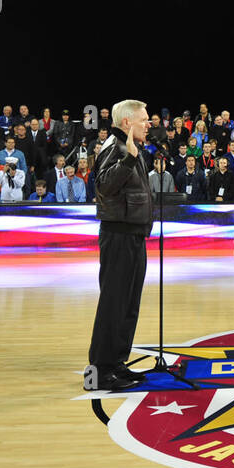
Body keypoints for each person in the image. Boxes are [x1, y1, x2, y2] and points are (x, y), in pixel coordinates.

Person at [87, 99, 153, 393]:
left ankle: (117, 363)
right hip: (118, 236)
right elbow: (103, 185)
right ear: (127, 122)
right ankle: (99, 372)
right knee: (113, 303)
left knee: (128, 304)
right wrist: (128, 159)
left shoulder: (129, 147)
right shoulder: (116, 148)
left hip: (134, 234)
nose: (149, 124)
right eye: (144, 120)